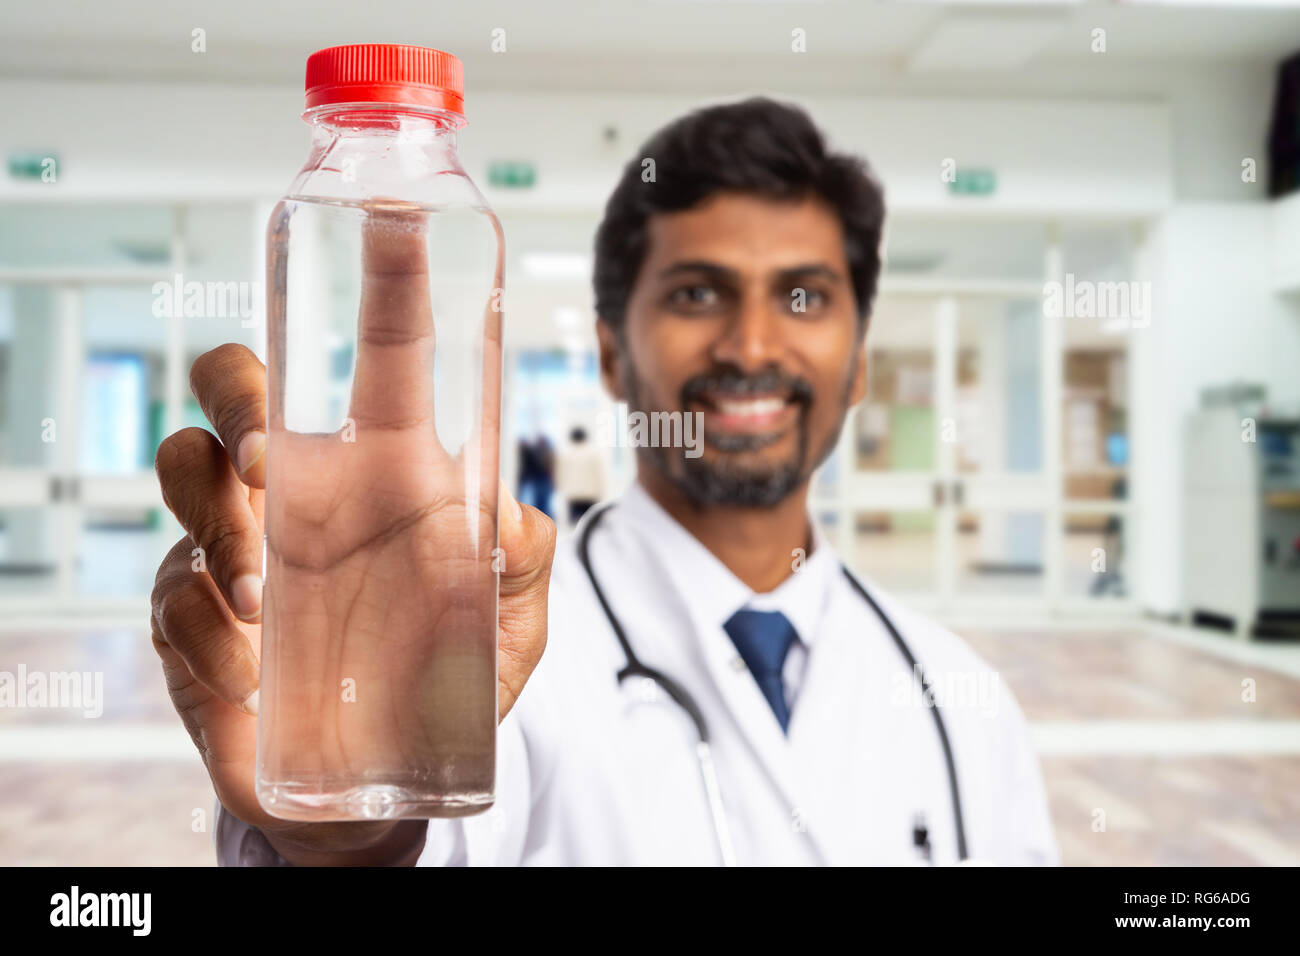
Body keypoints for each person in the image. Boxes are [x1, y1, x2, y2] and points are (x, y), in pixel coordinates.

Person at [151, 96, 1058, 866]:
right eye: (696, 293)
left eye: (803, 298)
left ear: (858, 364)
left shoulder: (961, 698)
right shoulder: (485, 660)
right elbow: (396, 839)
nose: (750, 346)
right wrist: (348, 831)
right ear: (611, 355)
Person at [555, 426, 606, 526]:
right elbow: (599, 475)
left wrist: (563, 489)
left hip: (573, 495)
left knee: (575, 526)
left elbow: (561, 476)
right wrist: (601, 492)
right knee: (590, 527)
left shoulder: (566, 455)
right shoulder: (593, 454)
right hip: (590, 495)